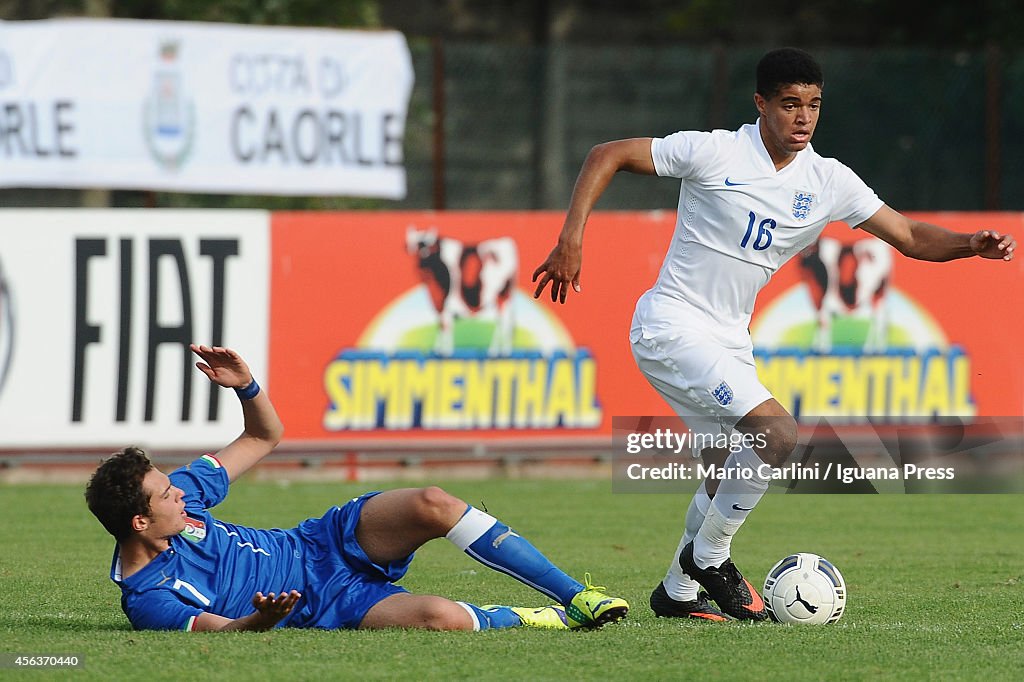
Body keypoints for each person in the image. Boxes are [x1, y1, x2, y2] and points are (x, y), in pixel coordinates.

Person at [531, 47, 1015, 622]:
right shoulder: (715, 151)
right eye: (789, 105)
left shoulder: (828, 179)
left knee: (726, 467)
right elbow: (606, 154)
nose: (803, 118)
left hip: (729, 338)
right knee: (776, 433)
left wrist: (969, 245)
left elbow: (908, 234)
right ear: (761, 104)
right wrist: (571, 240)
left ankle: (676, 593)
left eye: (813, 105)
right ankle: (711, 560)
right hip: (671, 323)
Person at [85, 343, 629, 632]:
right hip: (325, 605)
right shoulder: (148, 599)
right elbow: (219, 632)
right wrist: (263, 619)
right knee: (439, 619)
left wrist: (246, 386)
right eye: (165, 495)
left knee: (431, 502)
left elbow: (263, 435)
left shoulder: (183, 497)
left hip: (319, 542)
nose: (178, 492)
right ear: (139, 522)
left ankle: (575, 595)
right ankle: (540, 619)